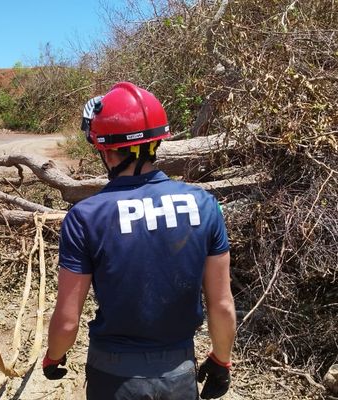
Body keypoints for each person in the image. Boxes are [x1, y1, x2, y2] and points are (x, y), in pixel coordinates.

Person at [43, 82, 236, 399]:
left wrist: (54, 355)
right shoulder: (204, 205)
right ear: (159, 141)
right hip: (179, 374)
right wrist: (221, 359)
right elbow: (222, 305)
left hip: (114, 379)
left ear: (105, 149)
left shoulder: (85, 217)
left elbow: (67, 320)